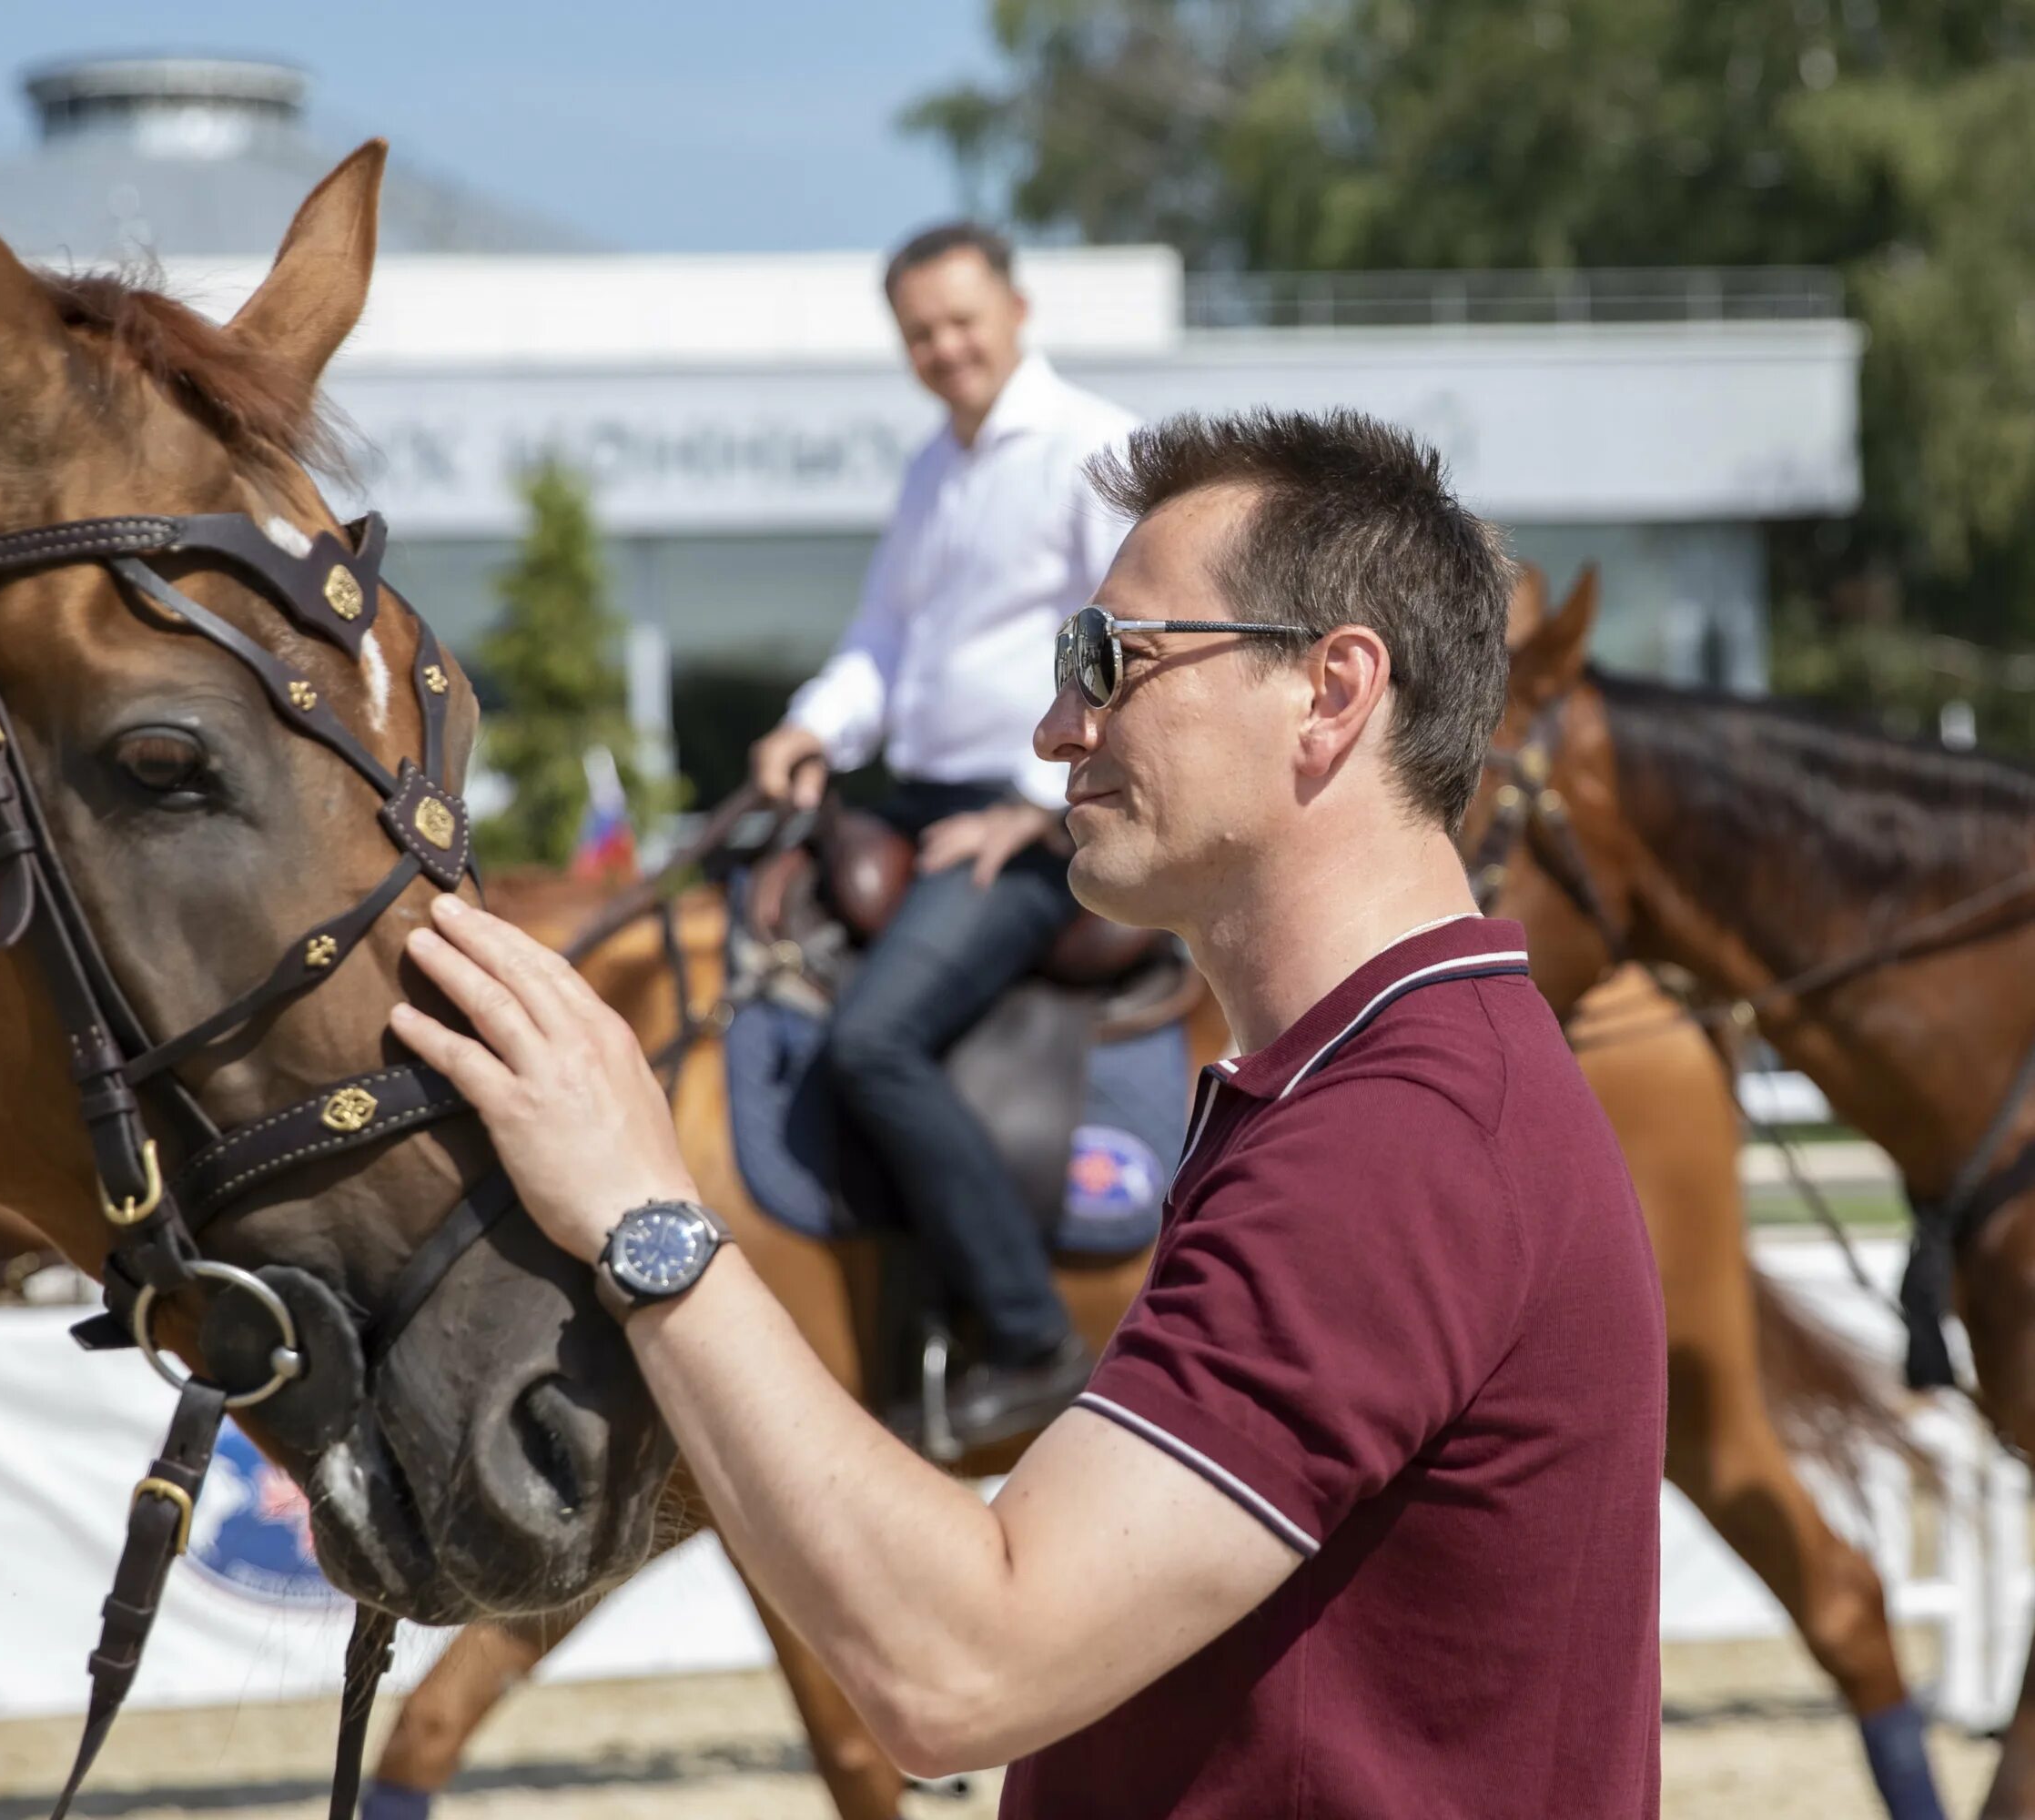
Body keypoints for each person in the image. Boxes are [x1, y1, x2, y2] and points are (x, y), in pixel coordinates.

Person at [391, 410, 1665, 1815]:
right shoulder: (1394, 1083)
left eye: (1108, 660)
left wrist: (645, 1216)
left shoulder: (1397, 1139)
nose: (1058, 726)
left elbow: (961, 1675)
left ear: (1333, 690)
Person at [746, 220, 1139, 1441]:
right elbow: (882, 644)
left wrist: (1033, 813)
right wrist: (811, 726)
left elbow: (1131, 647)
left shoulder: (1095, 447)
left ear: (1017, 310)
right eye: (920, 332)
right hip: (913, 800)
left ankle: (1030, 1341)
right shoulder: (931, 469)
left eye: (962, 321)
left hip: (1034, 816)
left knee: (871, 1042)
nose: (944, 347)